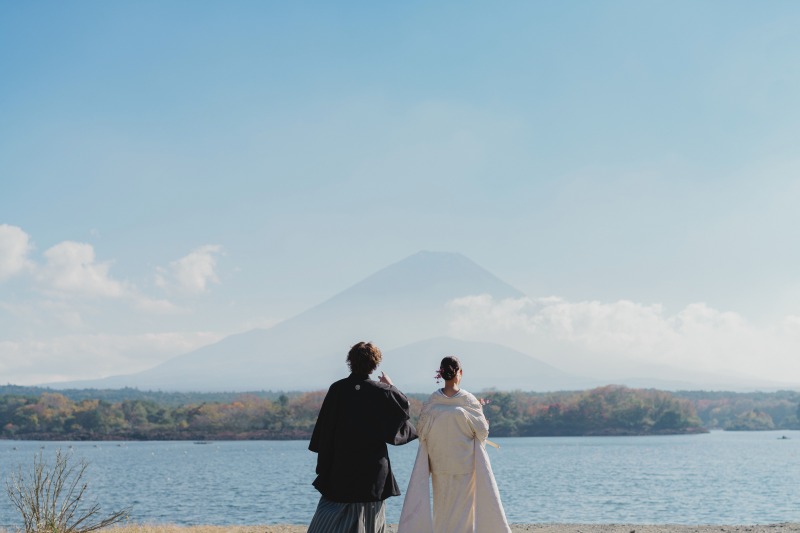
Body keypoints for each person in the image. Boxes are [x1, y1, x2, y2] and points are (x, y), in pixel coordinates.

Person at [307, 341, 418, 533]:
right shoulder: (383, 392)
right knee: (369, 525)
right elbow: (402, 413)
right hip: (372, 471)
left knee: (328, 522)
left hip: (340, 468)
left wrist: (324, 466)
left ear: (350, 361)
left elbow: (324, 433)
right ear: (375, 364)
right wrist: (391, 386)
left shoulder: (337, 390)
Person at [397, 355, 512, 533]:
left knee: (442, 510)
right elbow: (482, 432)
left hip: (439, 463)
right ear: (460, 373)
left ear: (441, 374)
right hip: (464, 463)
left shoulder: (433, 401)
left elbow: (422, 432)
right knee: (464, 512)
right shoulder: (468, 400)